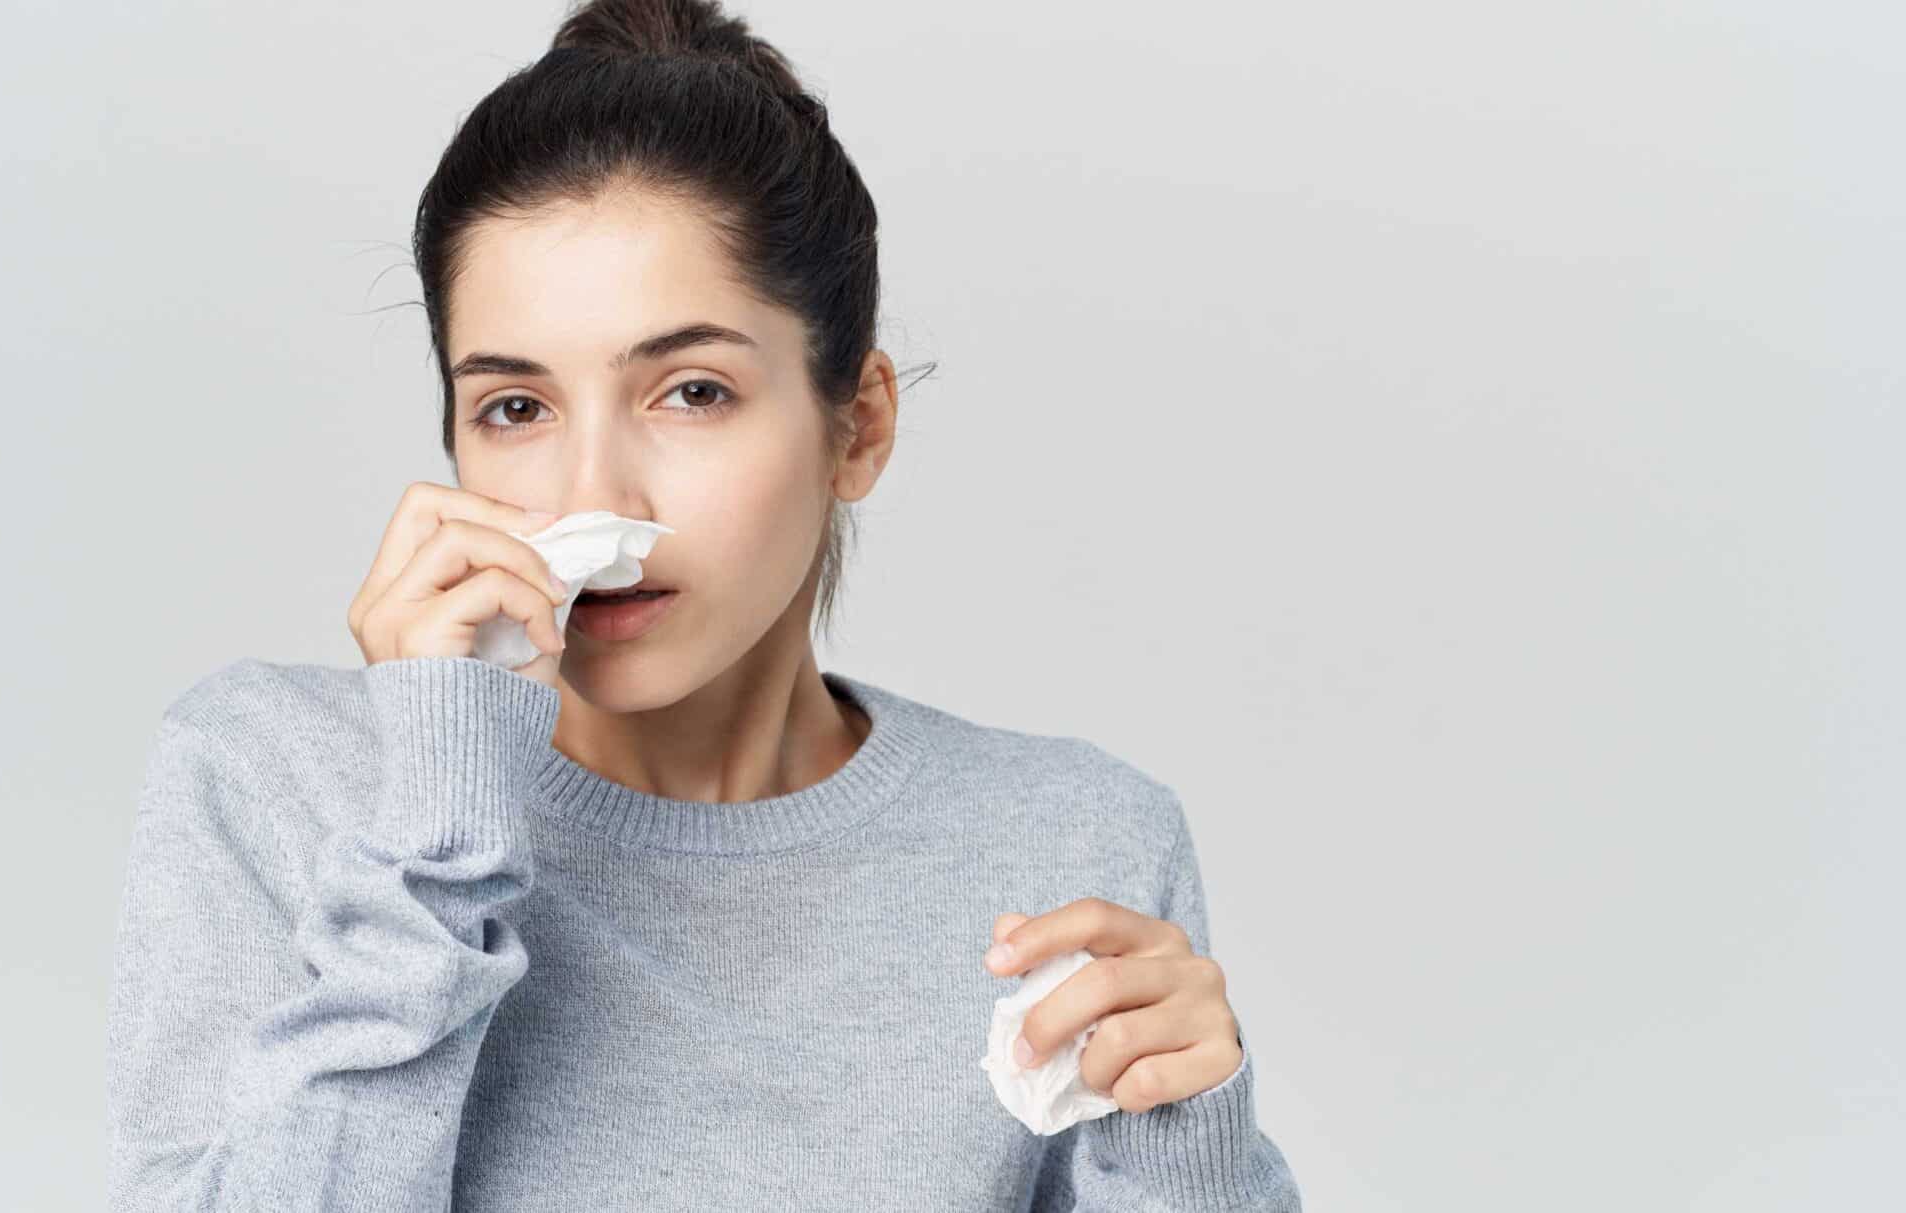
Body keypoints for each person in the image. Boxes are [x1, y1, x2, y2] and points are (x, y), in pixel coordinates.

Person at [103, 1, 1301, 1208]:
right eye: (516, 408)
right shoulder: (278, 780)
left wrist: (1184, 1145)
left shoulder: (1074, 842)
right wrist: (435, 845)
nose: (593, 496)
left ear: (857, 426)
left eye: (691, 392)